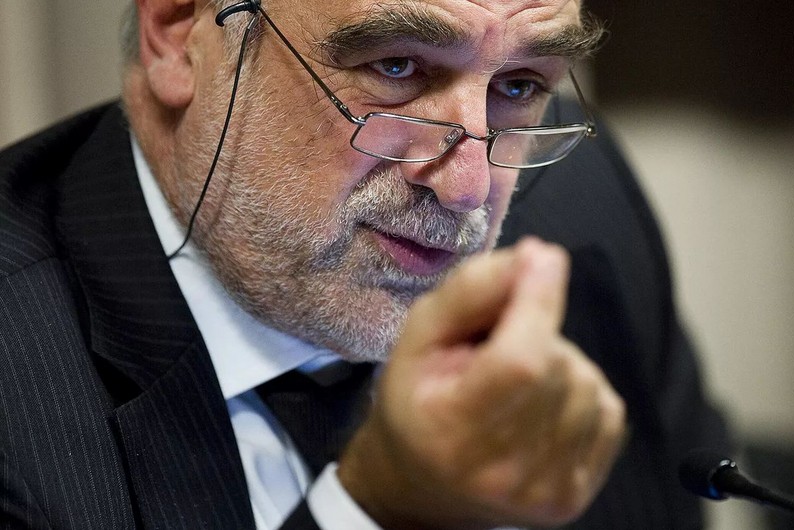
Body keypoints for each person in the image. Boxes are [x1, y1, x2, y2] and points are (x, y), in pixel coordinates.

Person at [0, 0, 728, 528]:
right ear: (178, 30)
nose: (468, 186)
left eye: (519, 85)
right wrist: (386, 510)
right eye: (396, 67)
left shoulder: (581, 206)